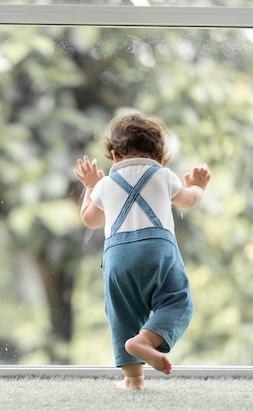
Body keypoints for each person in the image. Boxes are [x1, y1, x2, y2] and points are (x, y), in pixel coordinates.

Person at [74, 113, 211, 390]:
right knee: (177, 301)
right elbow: (188, 200)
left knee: (123, 313)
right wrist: (198, 186)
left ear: (114, 156)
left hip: (117, 258)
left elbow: (90, 220)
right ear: (160, 157)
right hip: (157, 251)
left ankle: (133, 380)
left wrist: (89, 187)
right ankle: (145, 340)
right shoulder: (164, 176)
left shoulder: (104, 185)